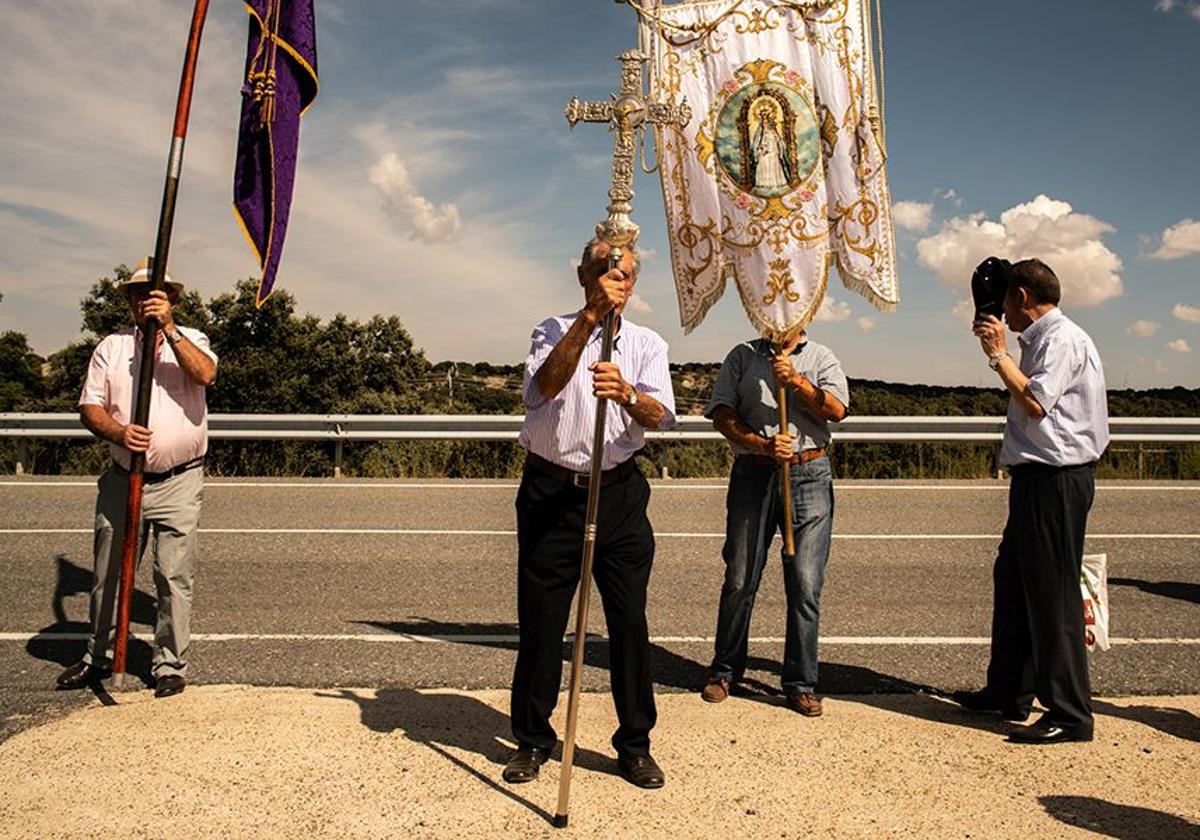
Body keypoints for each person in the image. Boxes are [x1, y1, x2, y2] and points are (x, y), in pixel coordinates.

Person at [504, 238, 676, 789]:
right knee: (542, 623)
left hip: (619, 494)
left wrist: (627, 394)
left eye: (623, 272)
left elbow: (662, 417)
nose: (613, 277)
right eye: (603, 268)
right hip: (552, 495)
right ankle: (532, 740)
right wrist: (590, 319)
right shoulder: (551, 330)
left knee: (628, 624)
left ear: (634, 283)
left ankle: (634, 744)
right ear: (583, 273)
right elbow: (542, 389)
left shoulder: (648, 344)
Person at [956, 258, 1109, 744]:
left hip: (1057, 480)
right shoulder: (1043, 340)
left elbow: (1038, 403)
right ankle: (1008, 692)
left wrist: (998, 355)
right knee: (1015, 582)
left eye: (1004, 302)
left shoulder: (1061, 339)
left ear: (1021, 296)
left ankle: (1069, 712)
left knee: (1052, 595)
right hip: (1036, 480)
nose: (1001, 313)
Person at [55, 258, 217, 698]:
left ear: (173, 299)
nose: (146, 299)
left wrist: (169, 328)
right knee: (108, 573)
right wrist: (120, 432)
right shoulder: (112, 348)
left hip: (179, 480)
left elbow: (204, 374)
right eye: (139, 293)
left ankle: (169, 665)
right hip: (124, 476)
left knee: (173, 575)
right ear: (128, 300)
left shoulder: (193, 339)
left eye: (156, 293)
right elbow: (90, 408)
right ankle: (99, 655)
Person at [700, 328, 848, 716]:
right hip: (754, 470)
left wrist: (796, 381)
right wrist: (760, 443)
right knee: (739, 577)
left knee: (805, 582)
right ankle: (724, 670)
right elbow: (721, 414)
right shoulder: (742, 356)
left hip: (809, 472)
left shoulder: (821, 356)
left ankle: (800, 682)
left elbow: (836, 410)